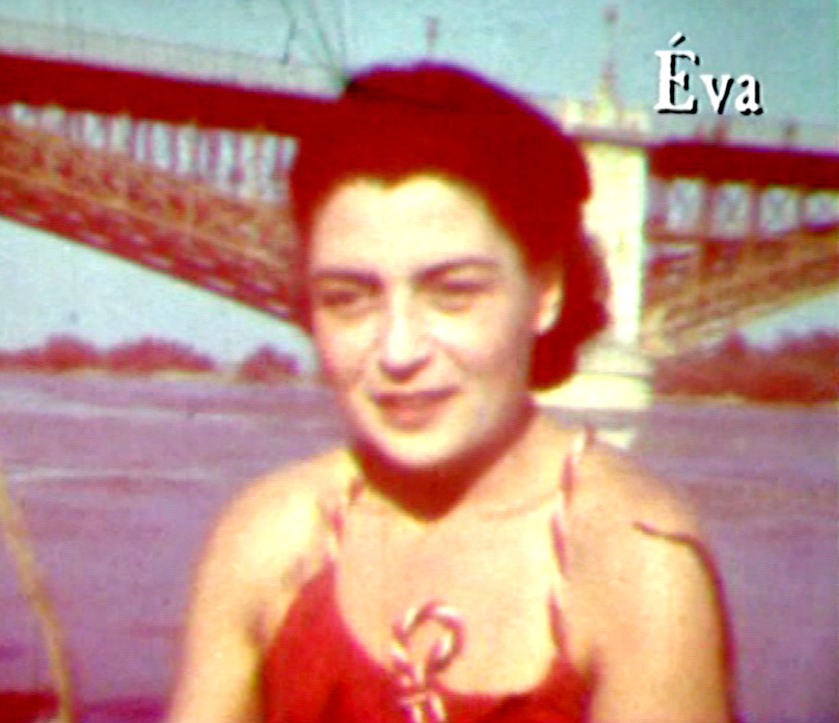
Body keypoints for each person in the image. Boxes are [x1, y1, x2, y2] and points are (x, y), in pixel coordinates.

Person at [166, 62, 735, 723]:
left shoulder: (637, 562)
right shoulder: (265, 538)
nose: (398, 351)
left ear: (545, 291)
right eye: (347, 299)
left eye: (453, 292)